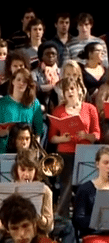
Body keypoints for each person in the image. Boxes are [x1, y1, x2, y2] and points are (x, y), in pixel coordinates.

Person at [48, 77, 100, 219]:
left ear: (79, 90)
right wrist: (62, 139)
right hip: (66, 153)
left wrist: (86, 135)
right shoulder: (58, 111)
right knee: (67, 185)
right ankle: (63, 219)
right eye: (66, 90)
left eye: (72, 88)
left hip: (85, 153)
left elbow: (97, 134)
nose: (69, 92)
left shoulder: (90, 108)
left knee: (86, 187)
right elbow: (52, 137)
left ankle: (87, 218)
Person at [0, 149, 54, 240]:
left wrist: (39, 217)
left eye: (30, 170)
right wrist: (11, 226)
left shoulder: (45, 191)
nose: (26, 174)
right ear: (16, 169)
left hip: (36, 236)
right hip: (12, 237)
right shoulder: (7, 190)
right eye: (22, 169)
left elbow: (49, 226)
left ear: (36, 170)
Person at [0, 68, 44, 154]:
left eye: (24, 81)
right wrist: (3, 132)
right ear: (13, 81)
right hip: (5, 149)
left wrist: (36, 151)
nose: (21, 83)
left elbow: (39, 130)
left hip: (27, 151)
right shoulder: (2, 103)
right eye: (18, 80)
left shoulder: (34, 103)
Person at [73, 146, 109, 239]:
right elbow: (78, 220)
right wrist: (99, 221)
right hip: (95, 235)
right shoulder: (85, 189)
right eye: (105, 163)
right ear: (97, 164)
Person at [32, 41, 60, 114]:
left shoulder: (62, 72)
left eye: (53, 54)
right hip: (41, 108)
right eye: (47, 54)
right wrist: (54, 86)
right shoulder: (34, 73)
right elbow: (34, 88)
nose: (50, 56)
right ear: (41, 56)